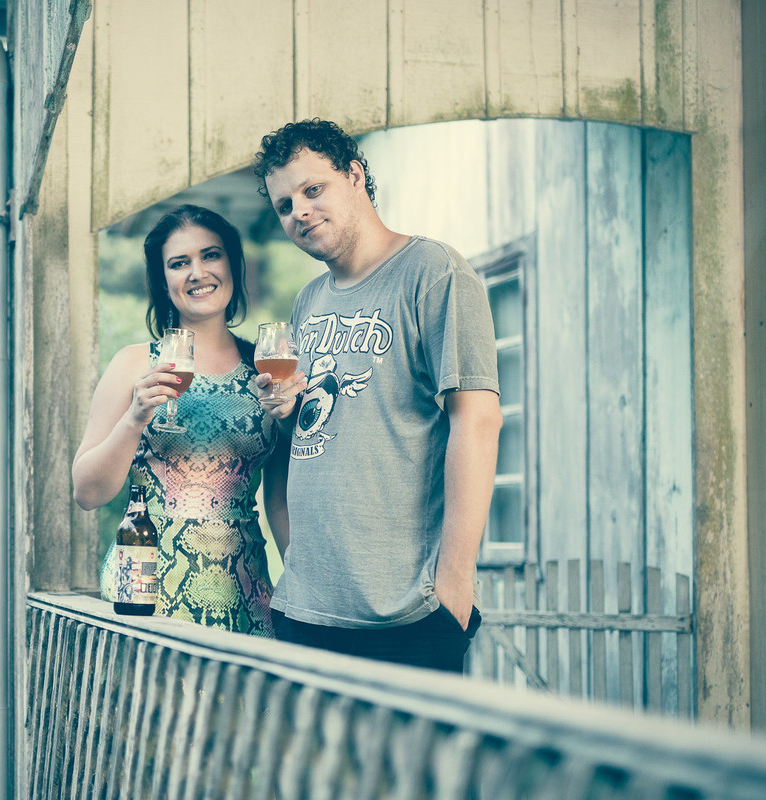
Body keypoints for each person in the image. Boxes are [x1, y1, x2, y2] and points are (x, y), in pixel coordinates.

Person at [252, 119, 502, 672]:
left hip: (404, 617)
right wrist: (286, 408)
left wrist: (454, 588)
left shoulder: (433, 272)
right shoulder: (308, 300)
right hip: (307, 614)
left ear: (356, 176)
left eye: (312, 190)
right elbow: (319, 434)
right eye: (284, 204)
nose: (299, 212)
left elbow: (478, 421)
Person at [73, 204, 278, 637]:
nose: (197, 272)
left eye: (211, 255)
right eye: (179, 263)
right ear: (163, 282)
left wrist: (301, 598)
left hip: (247, 600)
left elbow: (281, 503)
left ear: (233, 265)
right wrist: (133, 419)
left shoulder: (266, 370)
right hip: (146, 600)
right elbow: (87, 493)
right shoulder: (133, 365)